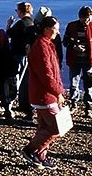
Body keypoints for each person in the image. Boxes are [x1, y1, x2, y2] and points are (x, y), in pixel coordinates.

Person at [21, 16, 66, 170]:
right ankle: (29, 150)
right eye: (56, 29)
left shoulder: (47, 44)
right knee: (57, 127)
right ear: (47, 29)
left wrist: (60, 90)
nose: (58, 32)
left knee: (44, 127)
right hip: (45, 95)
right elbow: (46, 74)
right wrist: (58, 92)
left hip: (46, 94)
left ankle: (41, 155)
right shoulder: (41, 46)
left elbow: (54, 71)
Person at [63, 6, 92, 116]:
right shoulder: (71, 26)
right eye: (85, 18)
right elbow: (65, 42)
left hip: (89, 61)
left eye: (90, 18)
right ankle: (74, 103)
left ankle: (88, 107)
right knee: (74, 83)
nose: (87, 21)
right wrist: (74, 46)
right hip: (75, 60)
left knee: (89, 84)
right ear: (80, 17)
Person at [6, 1, 36, 117]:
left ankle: (11, 103)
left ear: (21, 11)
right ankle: (24, 102)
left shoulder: (21, 24)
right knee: (25, 80)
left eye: (17, 10)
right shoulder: (32, 22)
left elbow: (9, 34)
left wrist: (9, 24)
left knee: (15, 79)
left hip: (18, 54)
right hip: (28, 55)